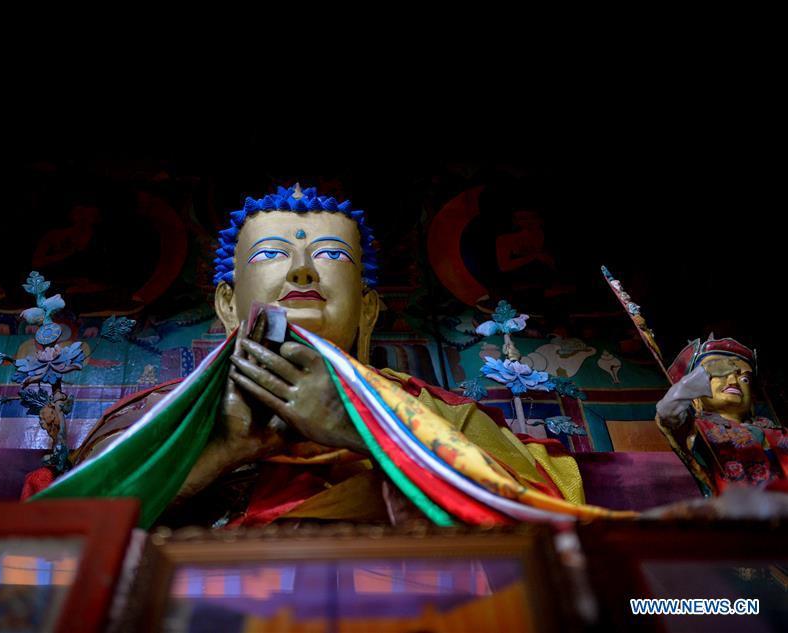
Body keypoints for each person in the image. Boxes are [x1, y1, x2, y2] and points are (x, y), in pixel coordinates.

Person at [36, 185, 626, 527]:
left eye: (330, 256)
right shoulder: (156, 418)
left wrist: (365, 430)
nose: (302, 270)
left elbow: (544, 532)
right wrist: (208, 456)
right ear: (226, 301)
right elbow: (52, 547)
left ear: (368, 310)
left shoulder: (442, 416)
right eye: (271, 253)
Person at [656, 335, 787, 496]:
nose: (733, 381)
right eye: (720, 375)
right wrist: (703, 372)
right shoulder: (696, 428)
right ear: (696, 395)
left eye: (744, 378)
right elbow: (667, 411)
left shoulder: (776, 431)